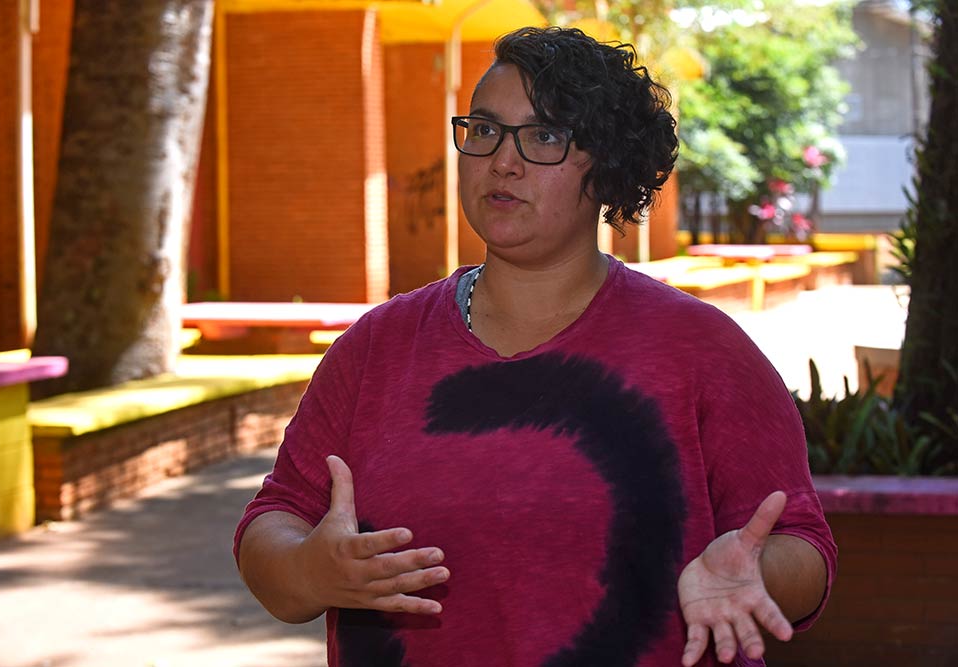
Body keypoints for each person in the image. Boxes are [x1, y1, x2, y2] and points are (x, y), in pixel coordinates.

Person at [234, 26, 836, 667]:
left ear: (606, 167)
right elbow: (275, 519)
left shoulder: (703, 350)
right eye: (486, 129)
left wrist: (757, 574)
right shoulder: (376, 347)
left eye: (545, 136)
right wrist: (308, 570)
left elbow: (804, 547)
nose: (503, 160)